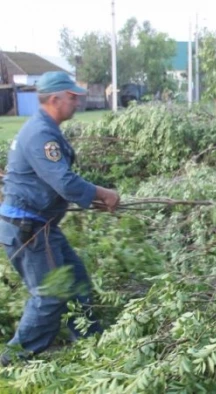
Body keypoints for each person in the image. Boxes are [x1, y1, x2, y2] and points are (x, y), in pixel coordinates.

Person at [0, 71, 120, 366]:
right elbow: (64, 182)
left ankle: (91, 343)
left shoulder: (45, 128)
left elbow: (53, 183)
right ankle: (11, 362)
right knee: (50, 296)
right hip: (29, 229)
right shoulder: (41, 133)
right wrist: (102, 193)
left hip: (40, 226)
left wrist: (93, 200)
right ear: (54, 99)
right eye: (72, 96)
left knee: (77, 280)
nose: (77, 101)